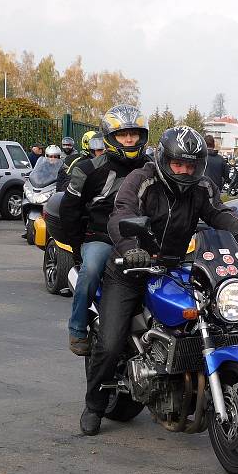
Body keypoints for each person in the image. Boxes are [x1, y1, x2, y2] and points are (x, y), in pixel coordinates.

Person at [80, 126, 238, 435]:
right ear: (164, 159)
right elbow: (121, 215)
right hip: (130, 268)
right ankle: (94, 405)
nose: (185, 171)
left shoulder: (200, 186)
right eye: (178, 164)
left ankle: (191, 372)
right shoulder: (141, 180)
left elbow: (222, 215)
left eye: (191, 164)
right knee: (110, 342)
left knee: (212, 315)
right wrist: (132, 250)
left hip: (172, 266)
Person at [61, 104, 150, 355]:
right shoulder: (88, 169)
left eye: (134, 133)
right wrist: (78, 247)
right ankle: (77, 329)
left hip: (143, 240)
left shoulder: (154, 168)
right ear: (110, 138)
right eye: (123, 134)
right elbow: (69, 209)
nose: (130, 139)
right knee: (90, 271)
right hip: (102, 238)